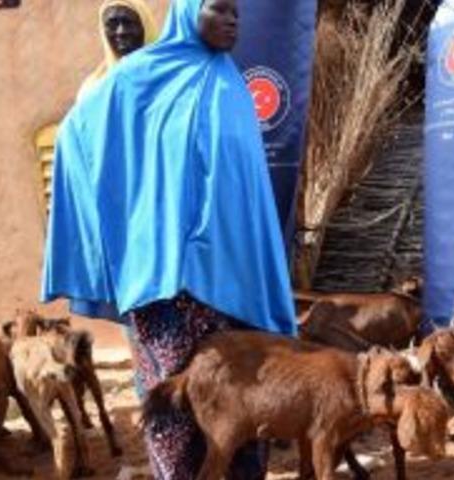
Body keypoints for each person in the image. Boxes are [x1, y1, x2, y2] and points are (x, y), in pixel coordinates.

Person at [41, 0, 296, 477]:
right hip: (164, 288)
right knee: (174, 409)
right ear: (186, 12)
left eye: (236, 12)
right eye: (218, 9)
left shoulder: (230, 85)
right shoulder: (137, 76)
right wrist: (132, 224)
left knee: (242, 403)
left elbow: (246, 191)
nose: (232, 19)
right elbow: (75, 134)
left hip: (231, 281)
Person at [76, 0, 158, 100]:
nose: (121, 32)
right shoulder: (93, 89)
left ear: (145, 27)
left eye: (128, 23)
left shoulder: (165, 78)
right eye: (112, 25)